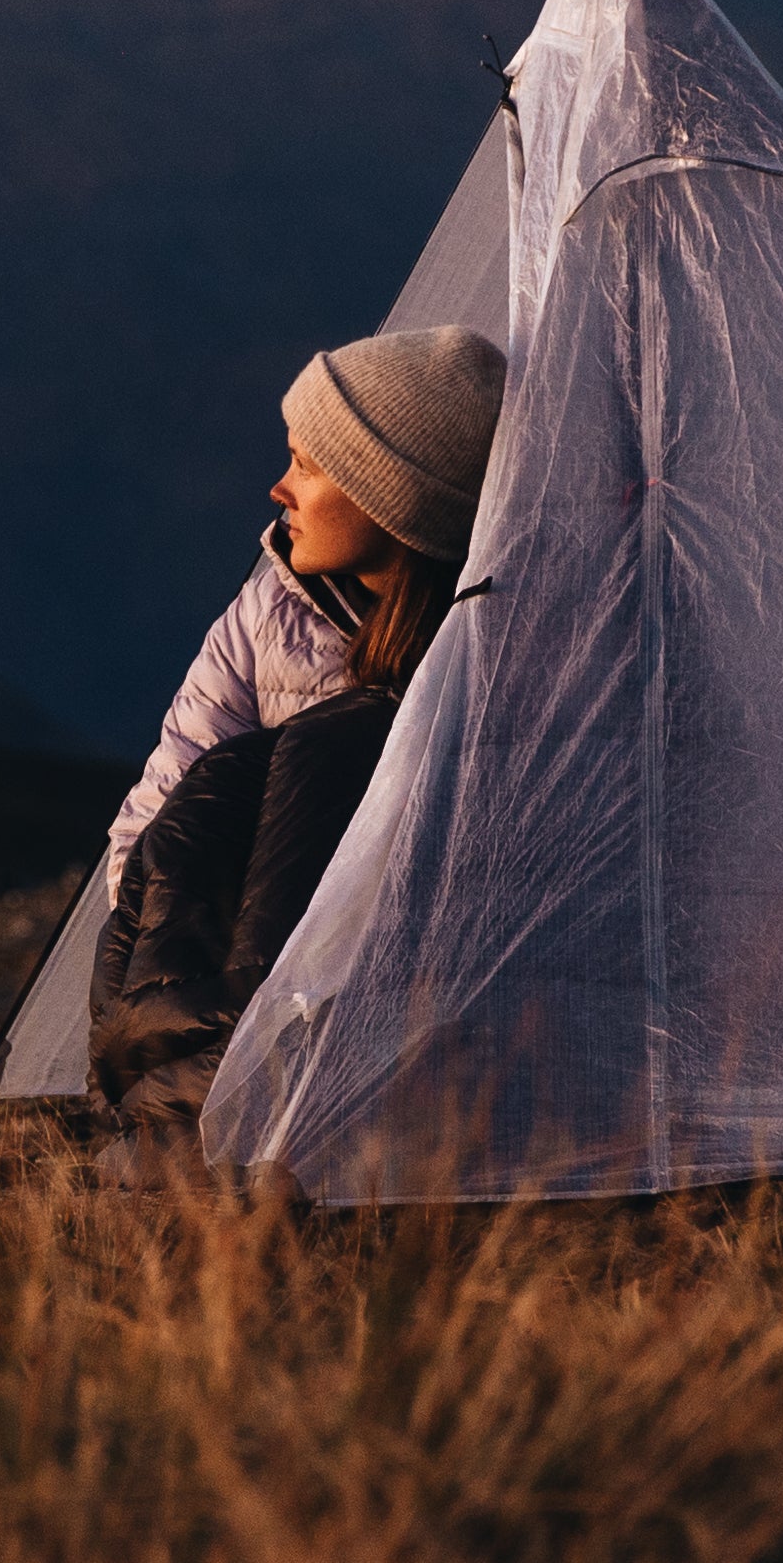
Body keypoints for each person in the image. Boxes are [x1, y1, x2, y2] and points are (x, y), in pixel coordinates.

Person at [87, 323, 504, 1133]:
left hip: (436, 1005)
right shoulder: (265, 617)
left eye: (306, 467)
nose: (278, 490)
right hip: (248, 1002)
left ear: (394, 501)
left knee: (337, 745)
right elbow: (154, 834)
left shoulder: (507, 640)